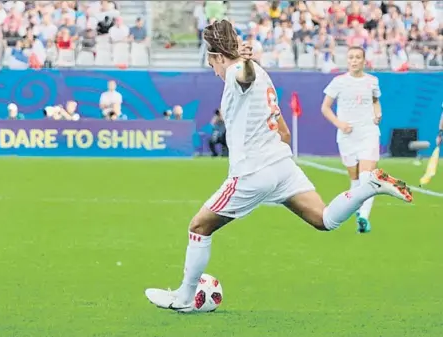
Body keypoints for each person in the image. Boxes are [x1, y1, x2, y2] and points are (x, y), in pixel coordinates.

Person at [144, 20, 412, 312]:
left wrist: (243, 62)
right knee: (323, 219)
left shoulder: (239, 71)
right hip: (281, 164)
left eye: (212, 64)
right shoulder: (261, 71)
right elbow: (281, 127)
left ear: (219, 57)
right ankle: (367, 187)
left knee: (199, 226)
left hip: (252, 172)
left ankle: (184, 296)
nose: (214, 71)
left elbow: (241, 77)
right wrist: (250, 66)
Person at [321, 46, 383, 233]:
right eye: (351, 57)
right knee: (355, 180)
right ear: (347, 61)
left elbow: (375, 100)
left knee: (367, 176)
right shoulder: (338, 82)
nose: (354, 60)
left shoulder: (372, 81)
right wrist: (339, 124)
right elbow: (325, 108)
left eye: (358, 57)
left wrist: (378, 112)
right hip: (347, 136)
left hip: (368, 132)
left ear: (364, 60)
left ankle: (364, 216)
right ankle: (355, 211)